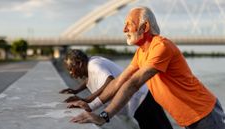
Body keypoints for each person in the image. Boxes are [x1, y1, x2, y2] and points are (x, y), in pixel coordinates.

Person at [70, 6, 225, 129]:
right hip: (191, 118)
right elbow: (119, 81)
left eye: (129, 24)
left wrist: (104, 117)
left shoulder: (161, 46)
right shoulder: (141, 53)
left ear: (145, 27)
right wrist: (91, 106)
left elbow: (133, 84)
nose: (124, 30)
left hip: (205, 115)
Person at [62, 49, 173, 129]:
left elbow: (110, 82)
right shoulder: (92, 63)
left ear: (79, 63)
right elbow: (89, 81)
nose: (71, 73)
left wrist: (87, 101)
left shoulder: (94, 65)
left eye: (71, 69)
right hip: (138, 101)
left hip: (141, 100)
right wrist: (76, 90)